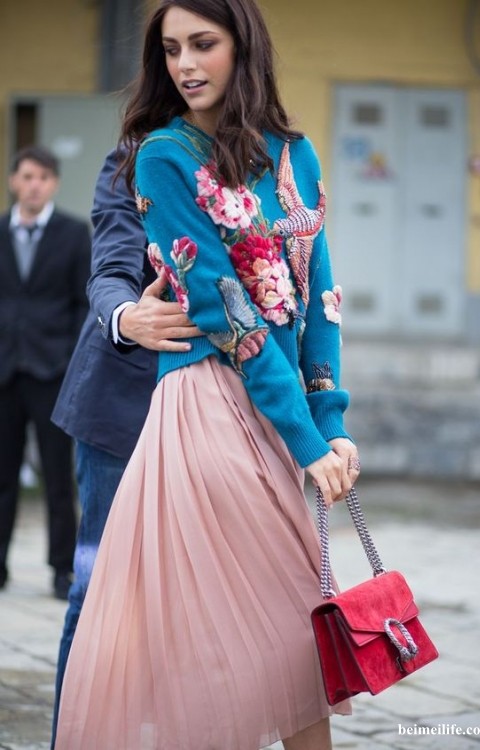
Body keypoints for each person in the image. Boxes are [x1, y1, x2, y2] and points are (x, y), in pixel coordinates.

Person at [54, 1, 361, 748]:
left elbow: (320, 300)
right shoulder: (157, 155)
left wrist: (331, 425)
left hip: (273, 412)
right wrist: (127, 317)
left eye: (202, 44)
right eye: (171, 49)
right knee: (128, 612)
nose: (185, 65)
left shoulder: (297, 155)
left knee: (293, 633)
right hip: (197, 402)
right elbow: (227, 312)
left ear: (242, 46)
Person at [50, 147, 201, 747]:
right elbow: (111, 263)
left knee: (197, 601)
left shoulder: (262, 164)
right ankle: (71, 736)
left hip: (217, 410)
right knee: (97, 590)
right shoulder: (133, 159)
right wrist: (124, 317)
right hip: (120, 407)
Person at [0, 146, 91, 600]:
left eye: (42, 177)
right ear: (13, 181)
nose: (34, 185)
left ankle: (61, 569)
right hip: (4, 373)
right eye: (27, 176)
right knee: (2, 476)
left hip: (53, 372)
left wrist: (70, 359)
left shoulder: (74, 234)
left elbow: (84, 304)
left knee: (58, 477)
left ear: (53, 183)